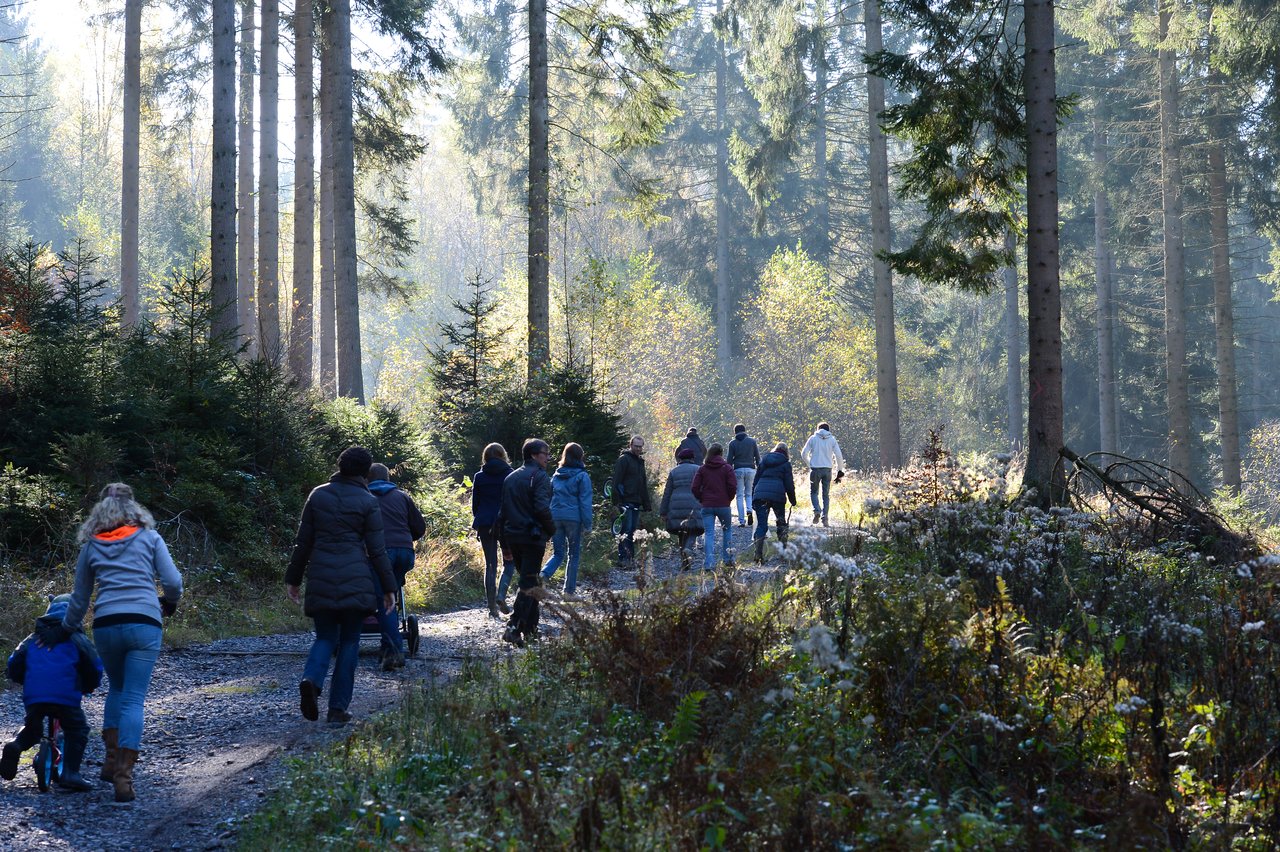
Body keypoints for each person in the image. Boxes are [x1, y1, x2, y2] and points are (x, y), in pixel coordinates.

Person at [41, 482, 183, 803]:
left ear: (101, 511)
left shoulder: (92, 545)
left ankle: (108, 761)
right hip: (145, 622)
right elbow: (173, 582)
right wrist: (169, 602)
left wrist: (66, 628)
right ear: (133, 508)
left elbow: (79, 597)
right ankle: (123, 777)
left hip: (106, 625)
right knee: (133, 697)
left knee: (116, 690)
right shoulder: (149, 537)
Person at [286, 447, 396, 728]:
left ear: (340, 466)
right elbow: (377, 551)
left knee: (324, 638)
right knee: (349, 642)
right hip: (356, 580)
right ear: (365, 472)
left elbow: (303, 543)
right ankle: (337, 709)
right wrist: (388, 587)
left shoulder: (318, 494)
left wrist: (293, 579)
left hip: (321, 576)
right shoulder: (367, 501)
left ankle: (311, 679)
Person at [2, 595, 104, 792]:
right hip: (65, 696)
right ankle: (71, 774)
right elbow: (94, 666)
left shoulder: (32, 639)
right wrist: (89, 686)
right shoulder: (78, 639)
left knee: (33, 728)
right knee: (78, 730)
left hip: (35, 695)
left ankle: (15, 745)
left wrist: (25, 680)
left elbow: (13, 663)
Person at [367, 463, 427, 670]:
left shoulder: (364, 497)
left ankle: (393, 652)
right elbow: (420, 527)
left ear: (368, 479)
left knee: (384, 597)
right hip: (404, 553)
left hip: (380, 553)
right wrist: (406, 539)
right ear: (388, 478)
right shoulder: (402, 496)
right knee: (391, 590)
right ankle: (387, 646)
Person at [497, 438, 556, 647]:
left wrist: (504, 544)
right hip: (532, 539)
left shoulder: (510, 477)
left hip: (513, 537)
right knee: (528, 585)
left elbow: (502, 514)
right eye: (545, 453)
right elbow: (541, 508)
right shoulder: (540, 477)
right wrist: (552, 529)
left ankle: (530, 629)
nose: (548, 457)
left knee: (530, 582)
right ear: (533, 455)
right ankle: (513, 628)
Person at [541, 442, 593, 599]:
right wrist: (588, 523)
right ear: (580, 457)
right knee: (574, 554)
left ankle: (543, 574)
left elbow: (548, 497)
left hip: (555, 516)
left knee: (558, 553)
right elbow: (585, 501)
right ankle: (568, 592)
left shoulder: (556, 476)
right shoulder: (582, 476)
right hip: (573, 519)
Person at [472, 443, 518, 618]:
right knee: (510, 562)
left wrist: (481, 519)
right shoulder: (511, 474)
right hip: (505, 524)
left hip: (485, 524)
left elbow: (475, 504)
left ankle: (492, 608)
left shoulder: (479, 476)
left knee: (490, 565)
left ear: (485, 457)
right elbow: (513, 501)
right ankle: (502, 595)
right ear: (503, 455)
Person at [691, 443, 737, 569]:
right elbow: (733, 486)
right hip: (724, 505)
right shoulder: (727, 468)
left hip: (707, 505)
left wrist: (701, 498)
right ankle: (727, 560)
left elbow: (694, 487)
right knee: (727, 531)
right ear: (721, 453)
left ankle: (709, 564)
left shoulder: (703, 469)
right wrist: (728, 498)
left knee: (709, 533)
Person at [658, 448, 704, 570]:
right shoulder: (698, 470)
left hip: (675, 505)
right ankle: (688, 548)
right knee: (695, 529)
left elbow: (667, 493)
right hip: (693, 504)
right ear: (692, 458)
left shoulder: (673, 472)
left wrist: (663, 511)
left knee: (680, 531)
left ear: (680, 459)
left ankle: (684, 561)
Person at [752, 443, 797, 563]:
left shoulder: (764, 460)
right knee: (781, 523)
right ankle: (783, 554)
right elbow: (789, 484)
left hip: (760, 495)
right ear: (786, 452)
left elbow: (756, 480)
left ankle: (758, 555)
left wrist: (753, 496)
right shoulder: (786, 464)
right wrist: (793, 500)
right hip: (777, 496)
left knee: (762, 525)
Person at [611, 435, 651, 566]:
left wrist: (646, 503)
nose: (638, 449)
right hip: (625, 501)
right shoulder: (624, 460)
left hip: (636, 501)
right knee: (625, 530)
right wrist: (616, 502)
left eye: (640, 446)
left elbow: (643, 484)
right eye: (636, 446)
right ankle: (623, 558)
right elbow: (616, 481)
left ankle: (630, 558)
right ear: (631, 445)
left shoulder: (640, 462)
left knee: (632, 530)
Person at [800, 422, 846, 526]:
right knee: (826, 495)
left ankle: (817, 511)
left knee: (814, 492)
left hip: (815, 469)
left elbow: (803, 454)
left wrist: (809, 464)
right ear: (828, 430)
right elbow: (839, 455)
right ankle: (825, 518)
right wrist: (840, 470)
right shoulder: (832, 439)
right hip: (827, 469)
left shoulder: (813, 438)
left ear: (818, 429)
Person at [726, 424, 761, 527]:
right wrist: (760, 469)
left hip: (738, 470)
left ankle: (742, 521)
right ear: (745, 431)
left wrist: (727, 473)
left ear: (735, 432)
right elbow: (758, 458)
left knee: (739, 495)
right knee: (749, 494)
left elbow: (729, 461)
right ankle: (749, 510)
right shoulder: (752, 441)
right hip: (751, 470)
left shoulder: (732, 443)